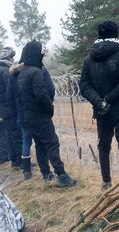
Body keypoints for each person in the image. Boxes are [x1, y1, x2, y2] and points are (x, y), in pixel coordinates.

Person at [80, 20, 119, 190]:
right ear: (116, 34)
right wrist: (109, 99)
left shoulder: (89, 59)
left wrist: (99, 101)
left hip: (101, 110)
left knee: (103, 146)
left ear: (99, 35)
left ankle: (106, 183)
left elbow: (84, 86)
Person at [17, 41, 76, 187]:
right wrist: (50, 108)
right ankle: (61, 175)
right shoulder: (36, 72)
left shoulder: (22, 72)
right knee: (51, 143)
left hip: (28, 115)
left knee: (39, 145)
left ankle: (46, 174)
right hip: (40, 115)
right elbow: (41, 94)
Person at [7, 54, 56, 180]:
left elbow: (9, 97)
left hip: (21, 114)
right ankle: (52, 170)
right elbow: (49, 90)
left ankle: (27, 171)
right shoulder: (36, 71)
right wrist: (48, 108)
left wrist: (17, 111)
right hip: (36, 113)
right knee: (44, 142)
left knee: (26, 140)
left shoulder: (13, 75)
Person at [0, 47, 19, 168]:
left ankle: (10, 158)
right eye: (12, 57)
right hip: (8, 107)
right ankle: (18, 160)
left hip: (2, 108)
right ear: (8, 58)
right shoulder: (6, 71)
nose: (13, 59)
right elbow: (10, 91)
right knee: (14, 134)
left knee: (6, 133)